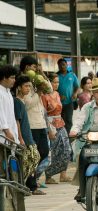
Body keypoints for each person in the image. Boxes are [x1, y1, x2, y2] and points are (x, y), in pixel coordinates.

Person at [20, 56, 51, 195]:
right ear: (27, 67)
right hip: (30, 124)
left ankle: (31, 179)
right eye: (33, 67)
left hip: (40, 122)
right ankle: (31, 184)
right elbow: (27, 103)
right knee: (33, 155)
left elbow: (49, 89)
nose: (35, 69)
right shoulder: (23, 82)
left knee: (44, 151)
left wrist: (42, 75)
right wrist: (38, 92)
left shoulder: (36, 79)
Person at [41, 73, 72, 184]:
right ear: (49, 82)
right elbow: (43, 114)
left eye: (58, 82)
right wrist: (48, 130)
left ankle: (63, 174)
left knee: (67, 149)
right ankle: (48, 176)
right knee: (54, 151)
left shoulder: (57, 94)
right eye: (54, 82)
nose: (57, 84)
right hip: (51, 125)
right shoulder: (44, 96)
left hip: (60, 123)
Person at [57, 58, 79, 134]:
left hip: (70, 102)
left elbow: (77, 86)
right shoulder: (56, 76)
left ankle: (68, 136)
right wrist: (58, 96)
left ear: (67, 65)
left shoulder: (72, 75)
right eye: (60, 65)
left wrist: (75, 93)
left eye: (63, 64)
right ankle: (62, 136)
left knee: (69, 120)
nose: (62, 67)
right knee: (60, 120)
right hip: (58, 102)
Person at [0, 65, 18, 144]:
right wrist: (7, 132)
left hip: (10, 133)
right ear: (4, 77)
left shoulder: (8, 92)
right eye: (12, 78)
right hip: (4, 134)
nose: (14, 80)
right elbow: (0, 114)